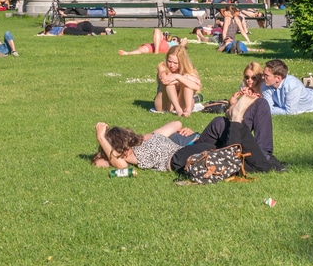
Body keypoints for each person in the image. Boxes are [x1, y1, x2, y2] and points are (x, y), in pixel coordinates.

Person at [93, 94, 273, 175]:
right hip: (186, 151)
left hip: (182, 155)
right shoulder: (145, 140)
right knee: (228, 157)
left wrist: (101, 138)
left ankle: (236, 121)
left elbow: (117, 164)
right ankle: (237, 121)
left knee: (228, 152)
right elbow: (175, 123)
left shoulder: (131, 152)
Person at [196, 62, 284, 171]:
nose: (249, 80)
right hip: (231, 134)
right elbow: (231, 116)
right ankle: (265, 154)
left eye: (254, 78)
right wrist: (233, 103)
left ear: (260, 79)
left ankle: (265, 153)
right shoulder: (243, 92)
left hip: (238, 134)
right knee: (220, 120)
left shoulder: (263, 93)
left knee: (261, 103)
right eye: (247, 77)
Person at [152, 43, 202, 116]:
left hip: (182, 102)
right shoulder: (162, 66)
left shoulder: (188, 68)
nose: (171, 65)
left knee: (187, 85)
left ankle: (188, 110)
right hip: (164, 104)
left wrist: (178, 77)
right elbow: (165, 80)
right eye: (169, 61)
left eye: (175, 63)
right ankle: (178, 109)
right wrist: (185, 77)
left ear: (182, 63)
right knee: (170, 81)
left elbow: (197, 87)